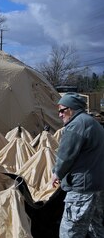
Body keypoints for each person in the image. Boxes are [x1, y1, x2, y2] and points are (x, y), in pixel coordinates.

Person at [51, 92, 104, 237]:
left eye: (63, 110)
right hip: (97, 186)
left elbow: (66, 155)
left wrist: (57, 173)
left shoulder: (75, 125)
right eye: (59, 111)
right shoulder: (93, 123)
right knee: (96, 227)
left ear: (72, 108)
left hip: (82, 188)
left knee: (70, 231)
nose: (60, 115)